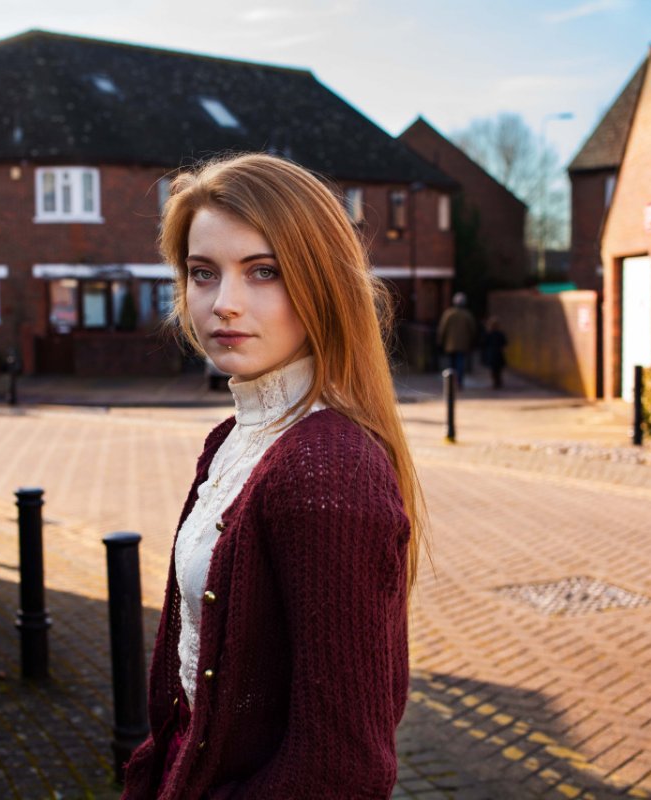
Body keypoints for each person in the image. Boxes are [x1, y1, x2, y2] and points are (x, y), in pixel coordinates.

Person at [120, 153, 426, 799]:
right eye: (203, 274)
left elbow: (343, 769)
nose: (224, 304)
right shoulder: (236, 439)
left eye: (263, 272)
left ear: (322, 284)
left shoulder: (326, 467)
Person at [436, 292, 477, 387]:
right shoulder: (467, 315)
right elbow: (473, 329)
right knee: (460, 362)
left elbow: (442, 328)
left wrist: (440, 340)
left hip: (450, 344)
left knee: (451, 364)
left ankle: (451, 382)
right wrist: (472, 340)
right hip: (463, 343)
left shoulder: (448, 314)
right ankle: (459, 381)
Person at [480, 316, 508, 390]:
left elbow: (484, 343)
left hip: (492, 353)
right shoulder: (500, 334)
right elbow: (504, 343)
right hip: (498, 353)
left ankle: (496, 382)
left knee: (493, 369)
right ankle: (498, 381)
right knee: (498, 369)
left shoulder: (488, 334)